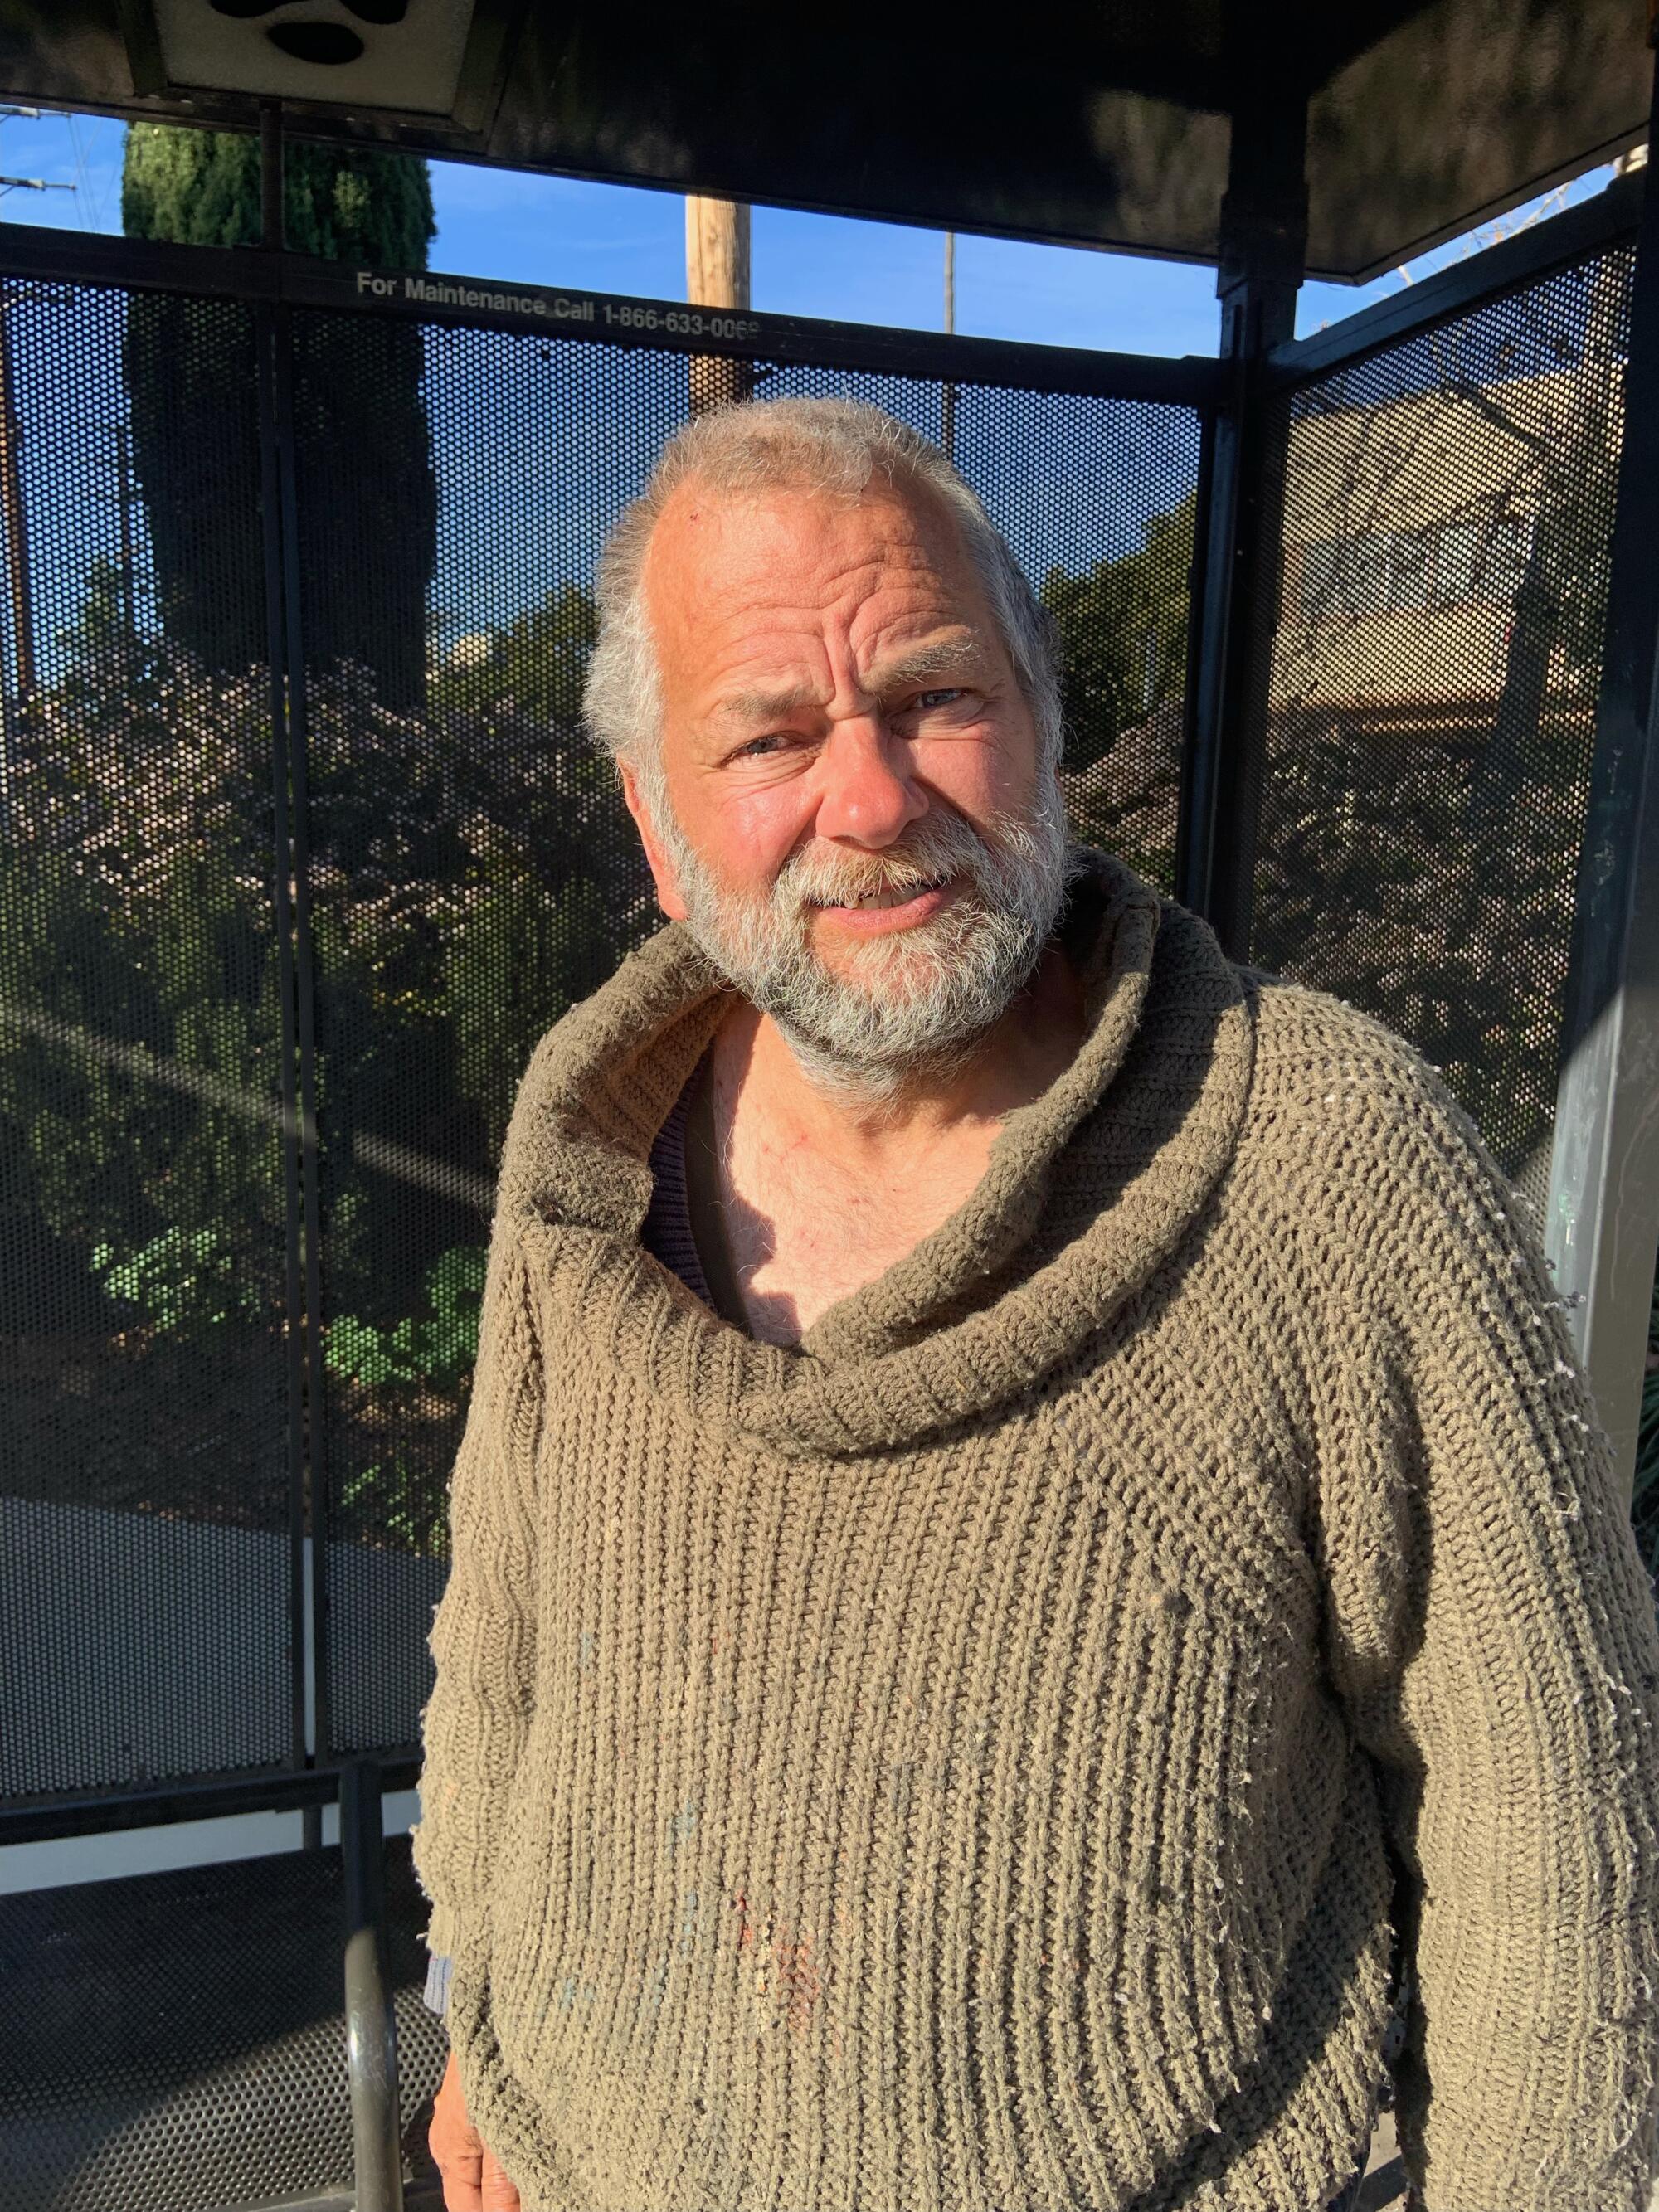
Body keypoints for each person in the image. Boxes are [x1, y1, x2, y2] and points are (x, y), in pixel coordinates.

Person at [411, 396, 1659, 2212]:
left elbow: (1555, 1797)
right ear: (662, 825)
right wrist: (470, 2006)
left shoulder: (1324, 1162)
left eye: (933, 695)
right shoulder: (585, 1154)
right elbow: (502, 1640)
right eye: (769, 732)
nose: (871, 796)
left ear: (1044, 722)